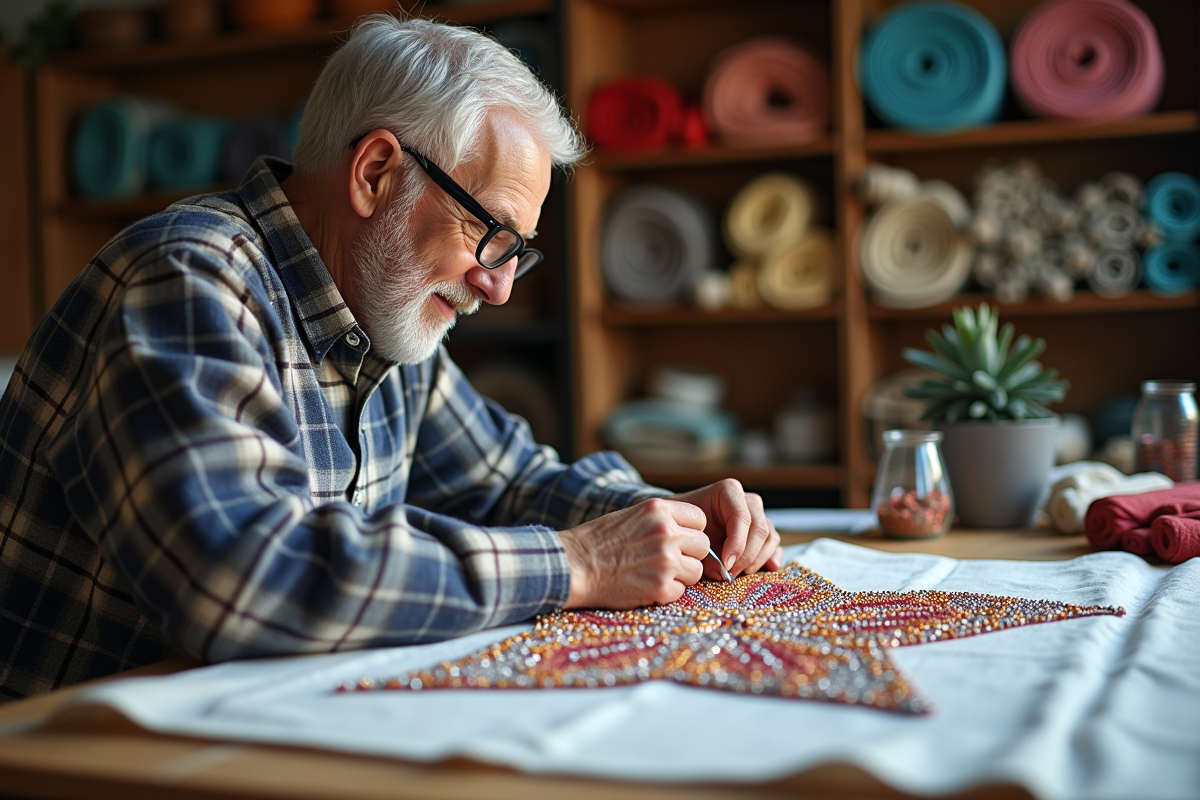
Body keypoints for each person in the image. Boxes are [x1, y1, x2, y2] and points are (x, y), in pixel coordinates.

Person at [0, 15, 780, 704]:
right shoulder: (187, 277)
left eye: (518, 253)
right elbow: (240, 581)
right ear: (376, 173)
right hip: (65, 753)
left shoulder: (380, 316)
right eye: (491, 234)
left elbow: (508, 482)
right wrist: (575, 563)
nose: (500, 287)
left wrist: (671, 520)